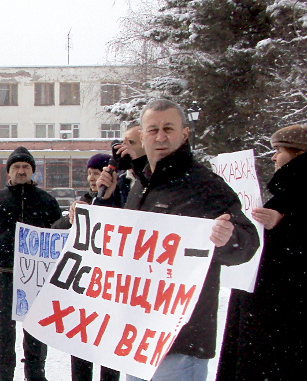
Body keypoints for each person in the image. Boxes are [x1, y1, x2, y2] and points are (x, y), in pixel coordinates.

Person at [96, 99, 259, 381]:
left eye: (168, 128)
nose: (160, 137)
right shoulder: (142, 184)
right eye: (153, 129)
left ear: (184, 134)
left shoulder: (205, 185)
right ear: (143, 136)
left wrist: (228, 239)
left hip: (181, 341)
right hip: (138, 338)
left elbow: (247, 244)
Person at [216, 124, 306, 381]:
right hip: (270, 309)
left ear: (298, 153)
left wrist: (284, 224)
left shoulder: (292, 194)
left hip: (280, 315)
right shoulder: (286, 192)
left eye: (278, 149)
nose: (274, 156)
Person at [0, 147, 62, 381]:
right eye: (16, 167)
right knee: (2, 330)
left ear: (33, 171)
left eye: (25, 167)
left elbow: (60, 233)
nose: (21, 171)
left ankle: (35, 373)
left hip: (36, 278)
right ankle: (3, 374)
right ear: (9, 173)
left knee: (36, 328)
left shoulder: (46, 201)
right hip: (4, 275)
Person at [52, 152, 121, 381]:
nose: (93, 178)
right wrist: (69, 219)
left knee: (109, 352)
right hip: (83, 289)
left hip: (111, 291)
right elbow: (54, 233)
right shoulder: (81, 202)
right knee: (81, 350)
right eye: (90, 173)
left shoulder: (121, 202)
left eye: (98, 173)